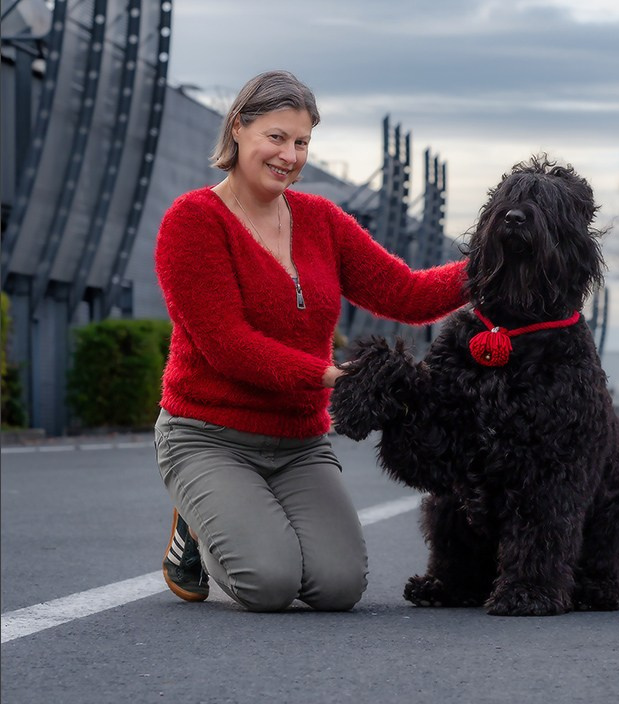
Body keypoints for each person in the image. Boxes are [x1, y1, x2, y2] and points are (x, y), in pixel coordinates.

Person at [154, 70, 468, 612]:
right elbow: (229, 345)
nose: (290, 155)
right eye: (276, 137)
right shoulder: (194, 221)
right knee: (269, 583)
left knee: (337, 587)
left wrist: (495, 265)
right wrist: (333, 377)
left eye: (302, 142)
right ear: (238, 130)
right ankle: (196, 525)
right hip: (209, 435)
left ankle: (233, 514)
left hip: (298, 442)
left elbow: (406, 294)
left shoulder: (321, 219)